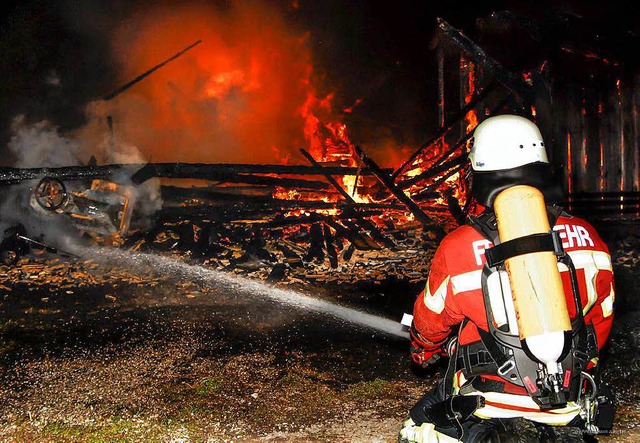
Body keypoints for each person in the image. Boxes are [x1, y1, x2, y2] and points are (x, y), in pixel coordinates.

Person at [399, 114, 616, 442]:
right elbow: (600, 319)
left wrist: (423, 350)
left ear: (480, 175)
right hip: (567, 404)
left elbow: (429, 324)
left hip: (489, 405)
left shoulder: (459, 245)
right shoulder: (587, 236)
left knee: (418, 425)